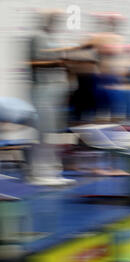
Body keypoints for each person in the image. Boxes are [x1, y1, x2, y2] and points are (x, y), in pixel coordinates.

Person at [28, 10, 75, 186]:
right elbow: (32, 62)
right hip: (42, 90)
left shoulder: (52, 39)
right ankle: (38, 172)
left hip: (56, 91)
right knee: (43, 133)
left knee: (53, 134)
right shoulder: (36, 37)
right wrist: (56, 62)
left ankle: (53, 170)